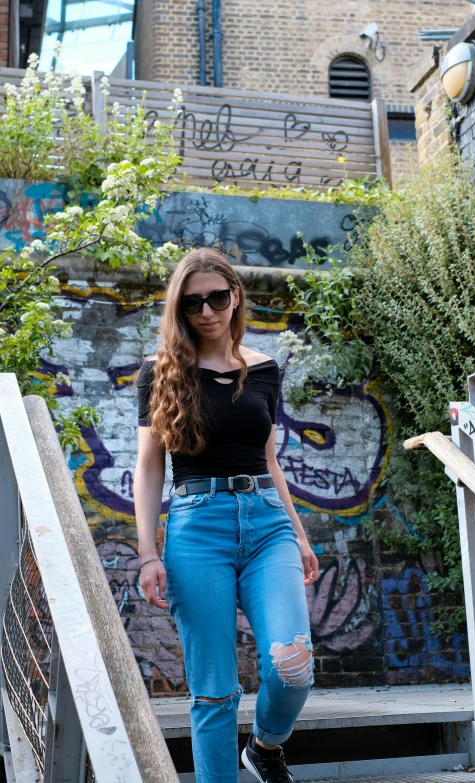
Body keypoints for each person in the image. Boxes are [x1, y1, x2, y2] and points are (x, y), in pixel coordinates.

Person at [133, 248, 318, 783]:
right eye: (193, 303)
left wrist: (300, 536)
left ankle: (264, 748)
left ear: (235, 295)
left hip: (267, 524)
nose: (207, 311)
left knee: (292, 665)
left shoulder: (262, 370)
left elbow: (268, 460)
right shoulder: (160, 374)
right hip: (197, 528)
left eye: (217, 297)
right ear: (180, 310)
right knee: (213, 690)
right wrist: (148, 553)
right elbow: (149, 469)